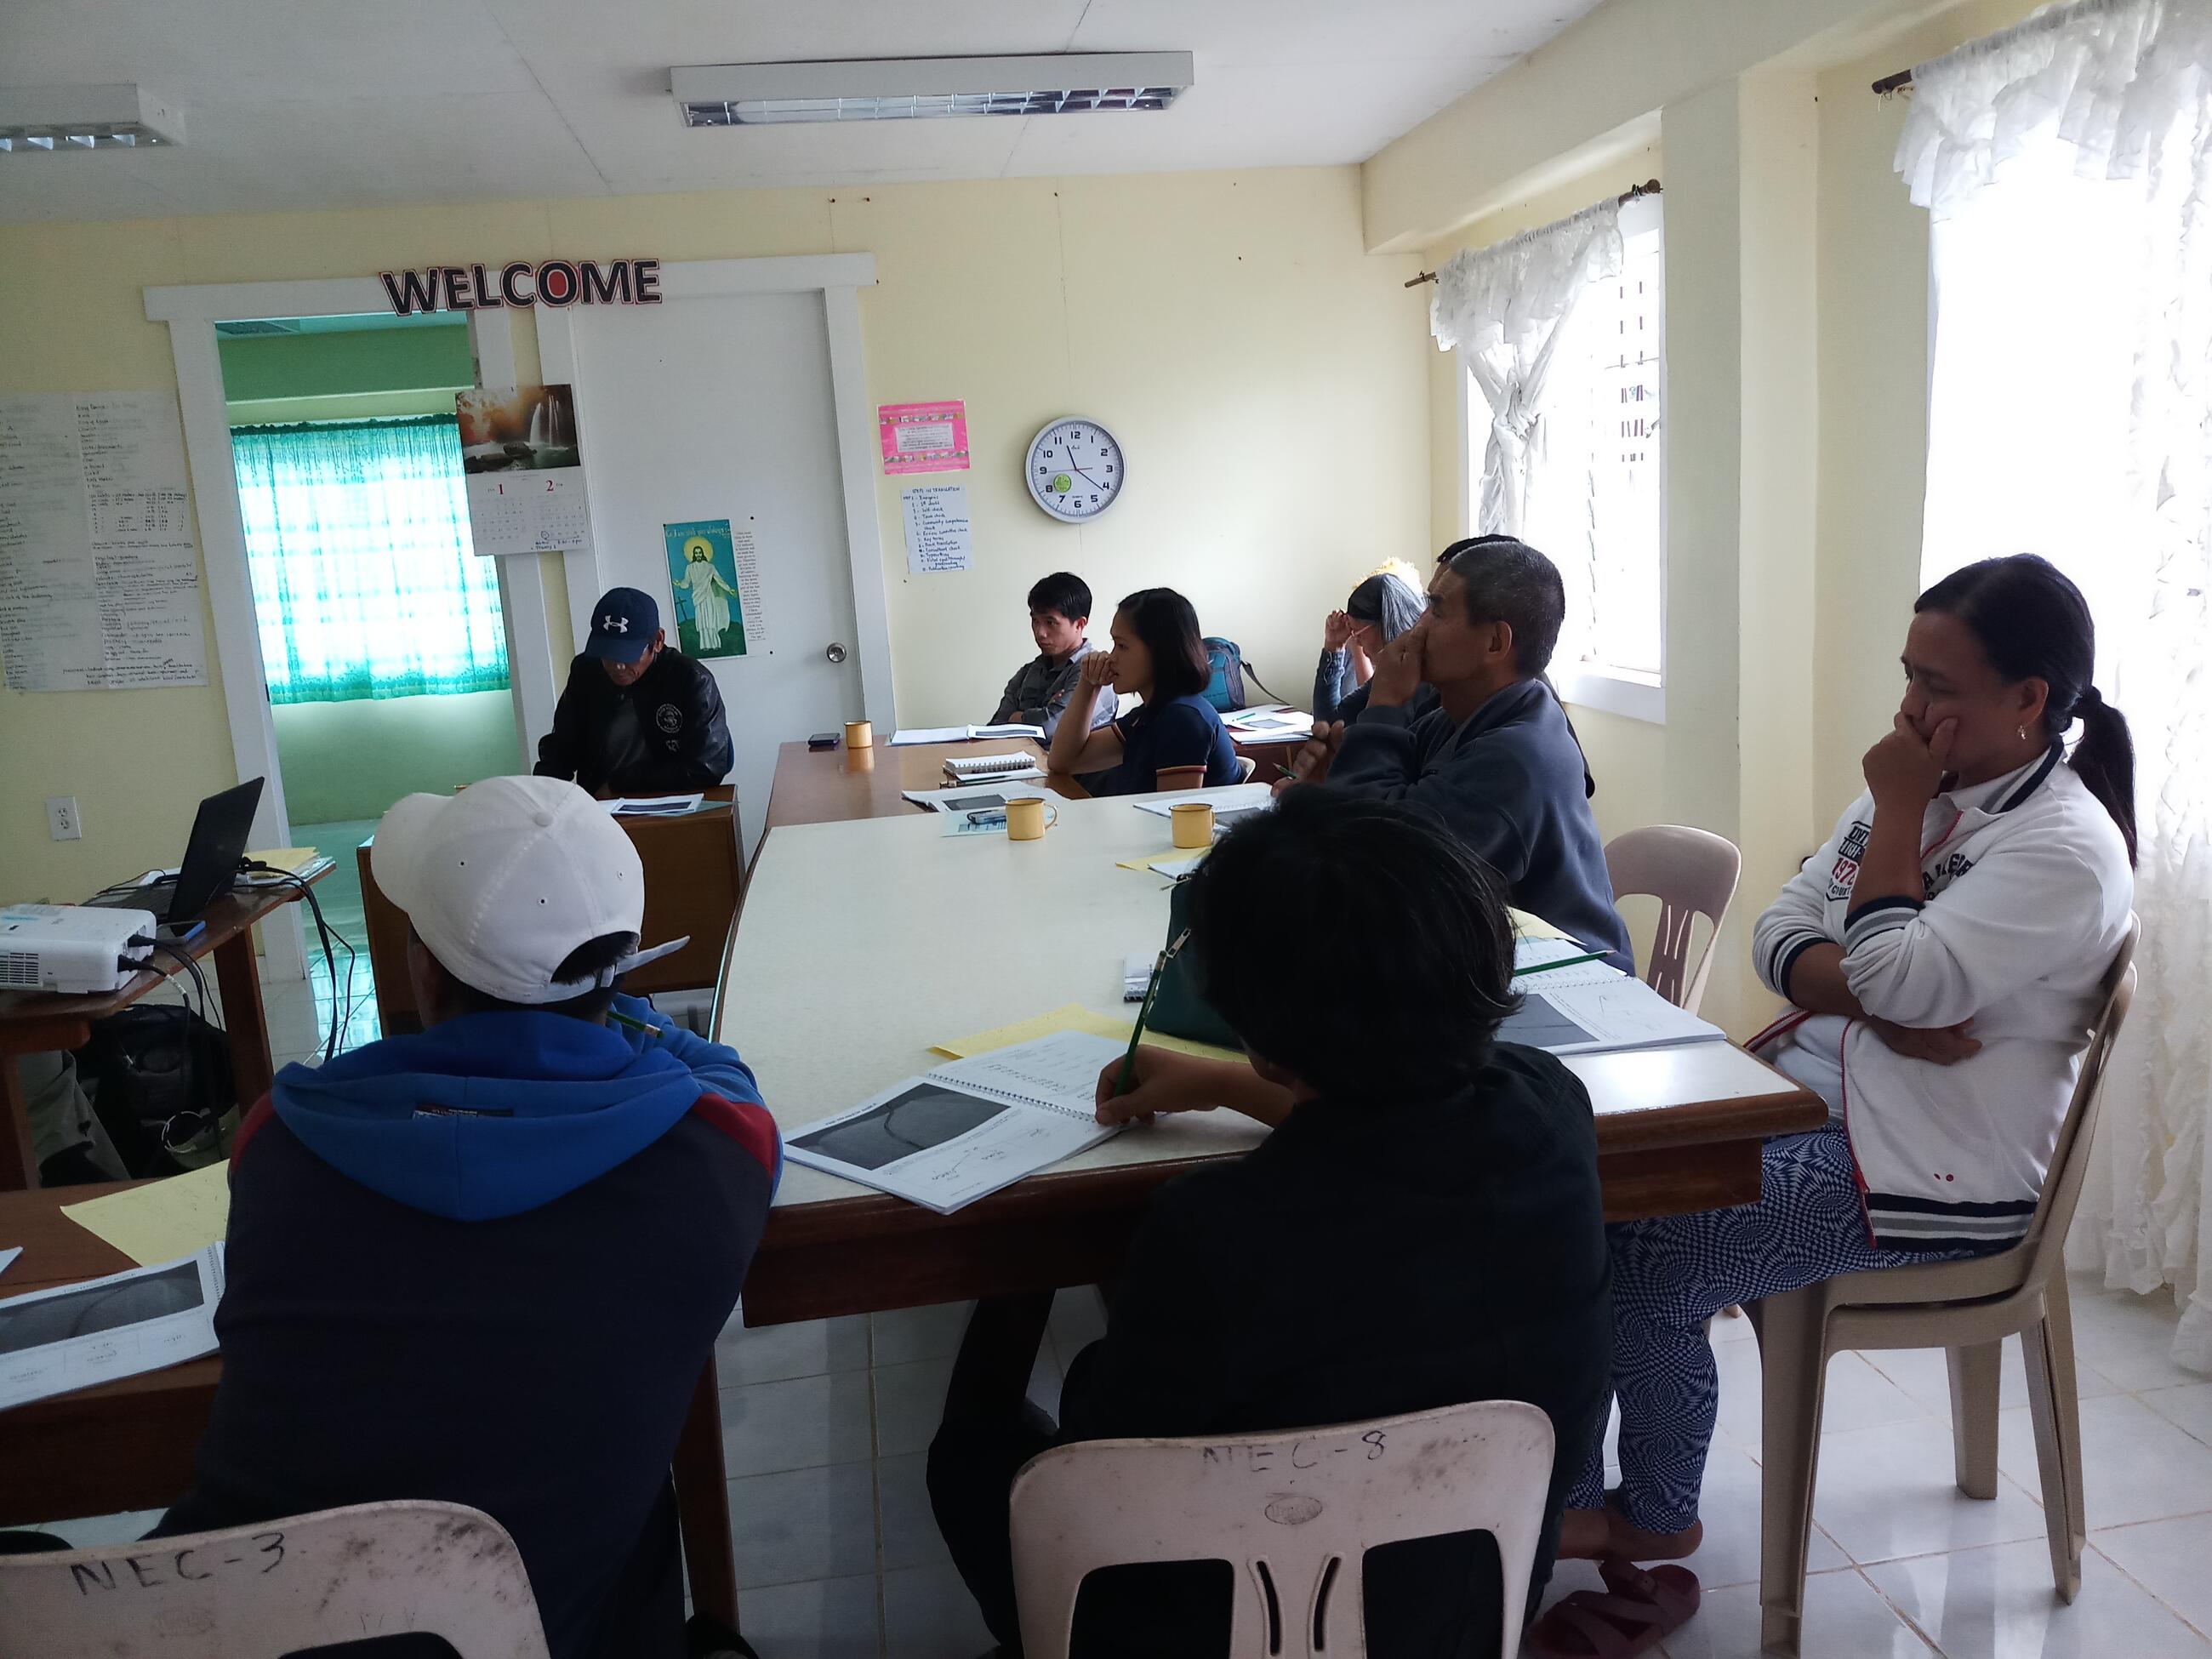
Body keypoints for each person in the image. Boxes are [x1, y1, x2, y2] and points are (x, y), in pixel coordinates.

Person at [1531, 555, 2135, 1655]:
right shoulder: (1915, 782)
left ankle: (1653, 1518)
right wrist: (1873, 991)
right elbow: (1777, 932)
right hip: (1824, 1106)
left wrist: (1883, 923)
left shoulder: (2060, 850)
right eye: (1906, 674)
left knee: (1651, 1245)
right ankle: (1564, 1490)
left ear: (2027, 699)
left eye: (1936, 686)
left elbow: (1893, 973)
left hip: (1928, 1172)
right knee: (1582, 1187)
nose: (1908, 707)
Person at [927, 790, 1613, 1657]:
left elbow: (1106, 1473)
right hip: (1474, 1608)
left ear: (1248, 1025)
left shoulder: (1209, 1234)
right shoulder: (1553, 1110)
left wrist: (1019, 1267)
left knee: (978, 1445)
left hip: (1218, 1631)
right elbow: (1403, 1125)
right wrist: (1220, 1085)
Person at [152, 775, 783, 1659]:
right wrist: (625, 1017)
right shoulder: (713, 1154)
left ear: (422, 970)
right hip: (526, 1628)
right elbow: (722, 1077)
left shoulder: (278, 1144)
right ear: (620, 962)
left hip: (229, 1627)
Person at [1284, 537, 1633, 967]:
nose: (1417, 627)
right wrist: (1328, 789)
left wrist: (1385, 704)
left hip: (1571, 979)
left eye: (1436, 609)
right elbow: (1378, 815)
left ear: (1495, 643)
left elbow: (1377, 864)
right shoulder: (1457, 719)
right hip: (1482, 957)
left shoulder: (1518, 756)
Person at [535, 586, 733, 796]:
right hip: (601, 802)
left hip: (673, 797)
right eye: (608, 654)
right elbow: (561, 747)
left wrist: (621, 784)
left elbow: (707, 767)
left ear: (658, 641)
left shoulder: (691, 679)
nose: (618, 666)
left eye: (628, 654)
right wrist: (542, 794)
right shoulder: (586, 672)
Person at [1046, 587, 1238, 795]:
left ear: (1160, 651)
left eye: (1122, 646)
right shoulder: (1151, 714)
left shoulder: (1183, 719)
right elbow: (1063, 762)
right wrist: (1088, 684)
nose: (1111, 657)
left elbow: (1169, 812)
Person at [990, 571, 1118, 740]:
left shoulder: (1092, 670)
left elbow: (1051, 728)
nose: (1040, 633)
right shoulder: (1029, 671)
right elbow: (995, 727)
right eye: (1035, 621)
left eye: (1050, 623)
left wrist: (1017, 717)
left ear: (1079, 624)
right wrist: (1043, 712)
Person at [1314, 562, 1430, 724]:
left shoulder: (1430, 682)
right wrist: (1334, 647)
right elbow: (1328, 723)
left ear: (1385, 625)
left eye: (1358, 633)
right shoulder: (1387, 673)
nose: (1356, 642)